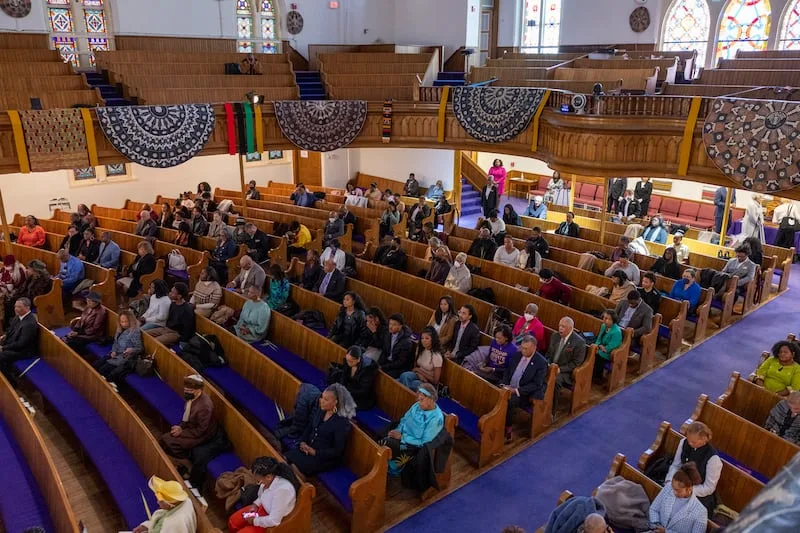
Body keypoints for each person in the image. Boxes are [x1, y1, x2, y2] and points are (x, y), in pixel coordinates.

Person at [160, 374, 227, 486]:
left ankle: (189, 467)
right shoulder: (191, 398)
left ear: (198, 390)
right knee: (164, 440)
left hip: (203, 434)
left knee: (170, 443)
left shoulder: (205, 406)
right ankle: (185, 463)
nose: (186, 392)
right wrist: (181, 427)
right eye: (185, 389)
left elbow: (201, 430)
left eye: (189, 390)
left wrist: (182, 432)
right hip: (190, 428)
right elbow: (187, 416)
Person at [285, 384, 354, 476]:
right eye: (322, 397)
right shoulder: (321, 410)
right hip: (307, 449)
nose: (321, 401)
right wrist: (303, 442)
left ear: (335, 402)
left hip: (323, 458)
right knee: (284, 459)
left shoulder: (341, 422)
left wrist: (315, 452)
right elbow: (309, 427)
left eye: (326, 399)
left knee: (294, 468)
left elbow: (337, 450)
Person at [226, 457, 300, 532]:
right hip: (262, 508)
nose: (258, 483)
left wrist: (254, 521)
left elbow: (274, 520)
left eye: (258, 481)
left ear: (268, 477)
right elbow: (262, 496)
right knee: (233, 522)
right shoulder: (266, 480)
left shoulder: (283, 491)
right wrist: (255, 505)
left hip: (271, 517)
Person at [385, 382, 445, 472]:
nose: (418, 402)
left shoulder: (436, 419)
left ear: (431, 400)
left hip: (414, 445)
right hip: (403, 435)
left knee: (386, 444)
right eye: (418, 399)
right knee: (383, 436)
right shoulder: (417, 406)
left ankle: (392, 467)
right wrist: (397, 431)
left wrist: (402, 437)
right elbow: (404, 420)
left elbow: (424, 442)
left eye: (422, 399)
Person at [501, 335, 548, 441]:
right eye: (522, 347)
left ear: (534, 348)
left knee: (507, 402)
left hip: (523, 393)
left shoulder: (541, 363)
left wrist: (516, 390)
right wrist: (503, 384)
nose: (523, 350)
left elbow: (536, 384)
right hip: (508, 387)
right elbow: (507, 371)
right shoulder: (517, 355)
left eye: (526, 348)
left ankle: (507, 430)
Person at [650, 462, 708, 533]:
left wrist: (666, 532)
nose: (674, 492)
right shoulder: (668, 488)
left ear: (689, 489)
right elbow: (654, 509)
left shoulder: (701, 511)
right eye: (673, 488)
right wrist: (656, 525)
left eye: (678, 491)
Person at [545, 317, 587, 403]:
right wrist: (548, 363)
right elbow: (548, 353)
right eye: (560, 325)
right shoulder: (555, 336)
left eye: (563, 326)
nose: (560, 328)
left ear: (570, 328)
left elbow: (576, 363)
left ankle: (552, 410)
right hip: (552, 366)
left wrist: (560, 369)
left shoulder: (579, 342)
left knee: (554, 380)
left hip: (566, 372)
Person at [93, 310, 144, 382]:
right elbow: (115, 343)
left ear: (131, 320)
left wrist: (131, 350)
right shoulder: (119, 329)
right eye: (122, 322)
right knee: (96, 365)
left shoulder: (135, 332)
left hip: (124, 357)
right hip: (114, 354)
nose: (124, 324)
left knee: (103, 370)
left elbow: (140, 348)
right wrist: (113, 351)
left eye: (126, 321)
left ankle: (110, 386)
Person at [0, 298, 39, 378]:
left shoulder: (29, 324)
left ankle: (10, 382)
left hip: (24, 351)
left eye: (19, 307)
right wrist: (4, 337)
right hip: (13, 345)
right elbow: (10, 330)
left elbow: (21, 343)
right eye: (15, 307)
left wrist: (3, 348)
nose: (16, 309)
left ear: (27, 308)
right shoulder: (18, 317)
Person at [147, 282, 196, 347]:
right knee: (144, 334)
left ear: (179, 296)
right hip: (166, 328)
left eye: (172, 293)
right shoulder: (173, 304)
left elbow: (188, 328)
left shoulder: (187, 309)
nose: (170, 293)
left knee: (154, 342)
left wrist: (182, 342)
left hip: (176, 333)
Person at [4, 261, 50, 327]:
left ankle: (12, 325)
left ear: (34, 270)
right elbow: (22, 288)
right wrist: (14, 295)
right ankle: (8, 324)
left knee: (12, 304)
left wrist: (19, 298)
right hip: (26, 297)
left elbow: (34, 295)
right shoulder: (31, 277)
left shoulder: (42, 280)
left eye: (28, 268)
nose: (27, 270)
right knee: (8, 301)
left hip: (35, 300)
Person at [62, 291, 107, 355]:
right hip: (83, 331)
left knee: (72, 342)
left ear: (96, 302)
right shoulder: (88, 307)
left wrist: (78, 333)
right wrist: (75, 330)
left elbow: (95, 328)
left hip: (93, 334)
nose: (87, 302)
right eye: (87, 300)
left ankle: (83, 357)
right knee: (65, 338)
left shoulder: (101, 312)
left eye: (89, 301)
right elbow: (81, 319)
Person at [379, 313, 414, 378]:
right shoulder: (388, 334)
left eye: (394, 324)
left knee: (385, 375)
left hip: (400, 368)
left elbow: (401, 362)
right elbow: (384, 351)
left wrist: (384, 367)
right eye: (390, 324)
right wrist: (379, 364)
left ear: (400, 326)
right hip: (389, 362)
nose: (390, 327)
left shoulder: (406, 342)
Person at [593, 309, 622, 381]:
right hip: (601, 347)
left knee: (597, 356)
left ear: (613, 320)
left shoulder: (616, 332)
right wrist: (597, 346)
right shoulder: (603, 325)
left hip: (610, 353)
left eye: (607, 319)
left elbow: (612, 346)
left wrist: (601, 349)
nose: (604, 320)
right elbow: (599, 338)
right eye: (604, 318)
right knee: (590, 350)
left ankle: (597, 377)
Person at [0, 255, 25, 328]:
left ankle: (3, 324)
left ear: (13, 264)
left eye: (9, 265)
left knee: (3, 301)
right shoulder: (4, 269)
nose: (7, 267)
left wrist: (6, 286)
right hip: (5, 289)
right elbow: (2, 278)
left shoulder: (20, 271)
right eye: (6, 265)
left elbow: (19, 286)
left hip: (16, 292)